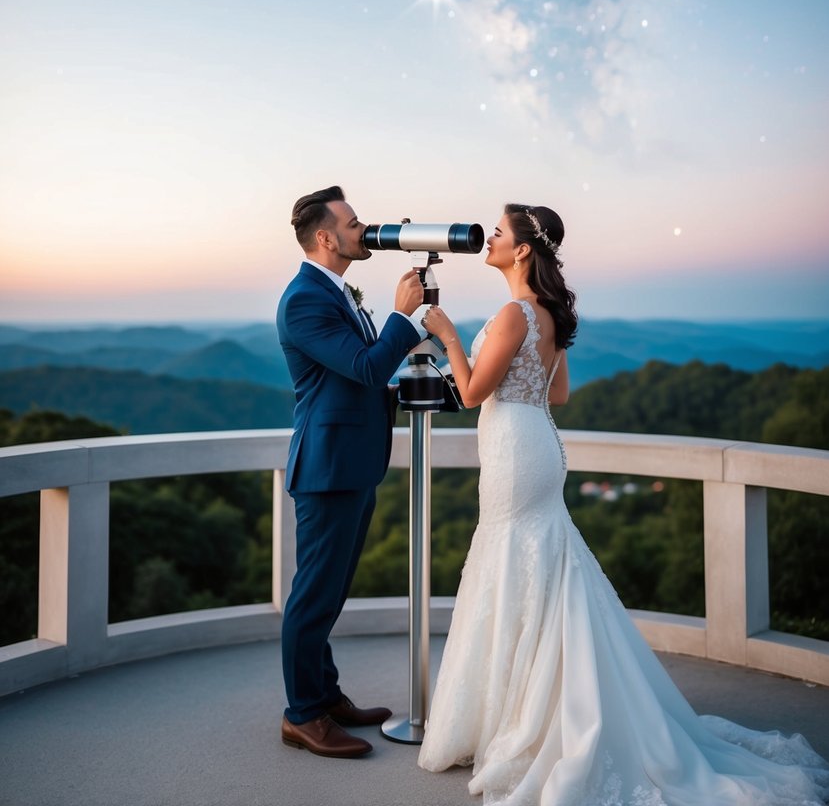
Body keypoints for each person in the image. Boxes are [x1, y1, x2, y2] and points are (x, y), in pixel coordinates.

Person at [417, 204, 829, 805]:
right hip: (537, 442)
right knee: (539, 562)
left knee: (513, 561)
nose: (490, 240)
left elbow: (475, 391)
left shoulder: (511, 313)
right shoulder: (546, 316)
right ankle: (535, 704)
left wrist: (448, 335)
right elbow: (558, 391)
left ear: (523, 250)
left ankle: (525, 711)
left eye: (499, 233)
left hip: (513, 448)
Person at [276, 185, 424, 759]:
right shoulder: (304, 299)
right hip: (328, 468)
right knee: (313, 596)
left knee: (330, 592)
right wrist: (402, 315)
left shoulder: (336, 292)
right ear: (324, 237)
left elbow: (362, 377)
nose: (364, 230)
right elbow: (363, 366)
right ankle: (302, 716)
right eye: (354, 223)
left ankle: (326, 695)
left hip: (353, 463)